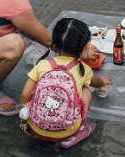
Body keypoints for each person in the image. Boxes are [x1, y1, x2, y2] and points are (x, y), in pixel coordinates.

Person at [18, 18, 113, 148]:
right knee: (86, 90)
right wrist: (103, 82)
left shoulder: (43, 64)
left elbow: (24, 94)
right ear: (83, 47)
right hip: (67, 131)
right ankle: (77, 132)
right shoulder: (84, 69)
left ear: (54, 42)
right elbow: (96, 82)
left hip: (37, 128)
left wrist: (25, 121)